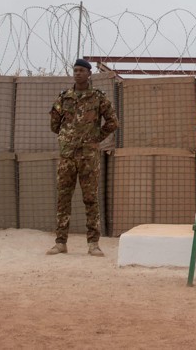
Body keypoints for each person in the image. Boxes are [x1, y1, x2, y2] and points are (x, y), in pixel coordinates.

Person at [46, 58, 118, 256]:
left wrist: (95, 138)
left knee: (90, 199)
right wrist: (67, 137)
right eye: (75, 70)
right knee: (63, 199)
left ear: (89, 74)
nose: (77, 73)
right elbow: (54, 124)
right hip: (67, 156)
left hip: (88, 157)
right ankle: (61, 242)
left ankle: (93, 243)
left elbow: (112, 122)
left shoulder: (97, 98)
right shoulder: (64, 98)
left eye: (81, 70)